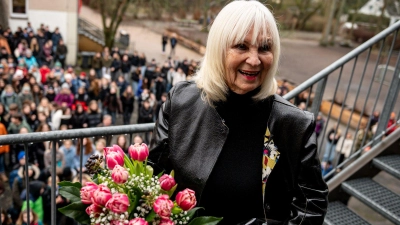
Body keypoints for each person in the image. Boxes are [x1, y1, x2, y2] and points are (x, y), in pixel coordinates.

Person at [149, 1, 328, 224]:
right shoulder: (181, 101)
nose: (254, 60)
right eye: (241, 46)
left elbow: (311, 207)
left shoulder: (294, 125)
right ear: (218, 48)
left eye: (264, 48)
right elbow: (152, 177)